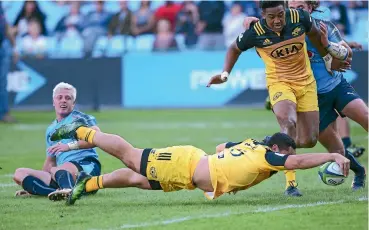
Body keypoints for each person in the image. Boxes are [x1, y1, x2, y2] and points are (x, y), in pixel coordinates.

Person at [206, 1, 350, 196]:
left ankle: (263, 145)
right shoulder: (255, 31)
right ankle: (291, 185)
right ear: (263, 15)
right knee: (288, 122)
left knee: (309, 140)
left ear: (286, 10)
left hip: (306, 83)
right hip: (279, 83)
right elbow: (234, 49)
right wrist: (224, 75)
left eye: (280, 15)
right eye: (272, 17)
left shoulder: (300, 18)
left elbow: (316, 36)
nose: (277, 20)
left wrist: (328, 60)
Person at [49, 121, 350, 205]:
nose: (285, 160)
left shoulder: (253, 147)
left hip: (190, 172)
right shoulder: (270, 156)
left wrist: (225, 173)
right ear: (276, 148)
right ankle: (81, 130)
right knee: (129, 155)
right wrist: (334, 154)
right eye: (283, 154)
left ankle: (82, 186)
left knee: (136, 180)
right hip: (184, 165)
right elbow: (296, 161)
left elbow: (222, 147)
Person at [243, 0, 366, 191]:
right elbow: (265, 45)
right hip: (311, 95)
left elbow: (341, 53)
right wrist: (251, 23)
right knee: (334, 148)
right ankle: (360, 172)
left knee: (365, 117)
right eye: (292, 8)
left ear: (310, 7)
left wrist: (340, 51)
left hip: (335, 85)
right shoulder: (283, 29)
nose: (295, 11)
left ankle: (280, 162)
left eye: (300, 7)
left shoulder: (322, 25)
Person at [13, 82, 102, 200]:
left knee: (59, 169)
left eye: (68, 98)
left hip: (86, 167)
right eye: (59, 97)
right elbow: (50, 161)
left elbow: (98, 137)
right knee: (19, 173)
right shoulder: (51, 129)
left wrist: (69, 146)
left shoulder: (81, 118)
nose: (63, 100)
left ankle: (67, 190)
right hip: (62, 174)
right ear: (53, 102)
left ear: (73, 103)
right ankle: (55, 192)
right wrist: (38, 183)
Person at [0, 2, 18, 123]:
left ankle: (4, 112)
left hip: (2, 45)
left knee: (2, 82)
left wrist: (14, 47)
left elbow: (4, 24)